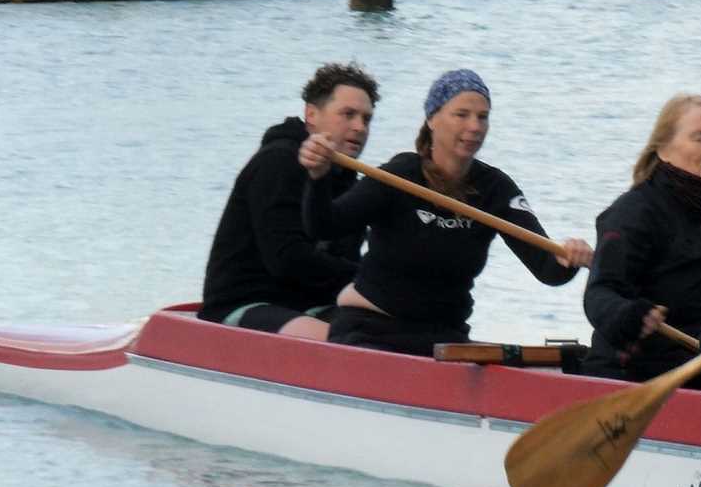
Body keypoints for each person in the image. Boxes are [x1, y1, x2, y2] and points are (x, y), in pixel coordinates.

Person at [297, 69, 592, 356]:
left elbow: (546, 268)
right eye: (461, 115)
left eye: (482, 117)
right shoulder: (400, 174)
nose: (475, 126)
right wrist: (319, 177)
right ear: (432, 119)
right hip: (370, 329)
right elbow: (324, 226)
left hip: (445, 338)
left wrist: (568, 259)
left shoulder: (495, 189)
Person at [199, 62, 379, 340]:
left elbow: (342, 267)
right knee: (344, 341)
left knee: (388, 334)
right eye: (348, 114)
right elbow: (286, 259)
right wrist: (369, 280)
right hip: (244, 302)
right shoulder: (277, 162)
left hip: (307, 305)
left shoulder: (349, 181)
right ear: (311, 115)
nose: (359, 127)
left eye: (366, 119)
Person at [582, 94, 701, 382]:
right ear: (663, 149)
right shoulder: (633, 213)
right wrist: (630, 315)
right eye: (700, 138)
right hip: (631, 376)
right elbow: (600, 293)